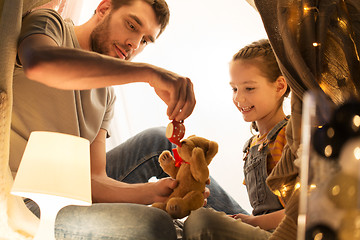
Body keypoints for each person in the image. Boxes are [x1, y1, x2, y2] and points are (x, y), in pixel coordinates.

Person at [11, 0, 245, 239]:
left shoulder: (106, 94)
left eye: (145, 40)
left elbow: (93, 179)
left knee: (158, 142)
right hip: (22, 198)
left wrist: (153, 192)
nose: (134, 44)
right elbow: (39, 63)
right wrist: (149, 73)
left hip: (70, 188)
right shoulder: (52, 25)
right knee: (153, 223)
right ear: (104, 9)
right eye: (132, 25)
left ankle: (252, 227)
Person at [183, 39, 291, 240]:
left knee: (201, 222)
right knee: (187, 218)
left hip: (285, 235)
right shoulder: (252, 146)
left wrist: (252, 222)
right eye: (234, 89)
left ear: (279, 86)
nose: (239, 99)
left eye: (249, 88)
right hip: (260, 229)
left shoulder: (289, 136)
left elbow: (303, 210)